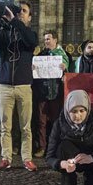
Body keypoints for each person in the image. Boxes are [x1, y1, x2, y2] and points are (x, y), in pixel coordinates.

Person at [0, 0, 38, 172]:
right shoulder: (4, 33)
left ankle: (27, 158)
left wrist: (14, 21)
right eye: (18, 10)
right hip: (5, 86)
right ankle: (6, 158)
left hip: (23, 85)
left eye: (24, 11)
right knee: (5, 125)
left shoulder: (31, 33)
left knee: (25, 126)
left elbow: (30, 42)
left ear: (30, 16)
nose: (20, 13)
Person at [32, 30, 69, 158]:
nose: (46, 41)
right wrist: (34, 68)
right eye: (45, 39)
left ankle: (54, 148)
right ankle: (42, 147)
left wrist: (65, 69)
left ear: (55, 40)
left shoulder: (63, 55)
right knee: (41, 122)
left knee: (55, 122)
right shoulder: (41, 54)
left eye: (48, 39)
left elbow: (69, 71)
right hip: (42, 93)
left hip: (56, 93)